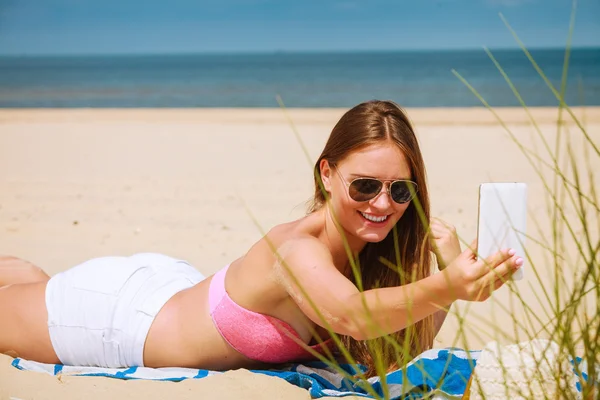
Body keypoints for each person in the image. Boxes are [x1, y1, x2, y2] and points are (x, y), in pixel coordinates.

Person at [0, 100, 522, 377]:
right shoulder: (297, 249)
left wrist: (444, 280)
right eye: (365, 185)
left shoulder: (377, 252)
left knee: (24, 277)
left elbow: (392, 354)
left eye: (399, 190)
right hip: (120, 322)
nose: (382, 204)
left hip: (176, 289)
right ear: (326, 174)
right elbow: (349, 316)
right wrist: (448, 287)